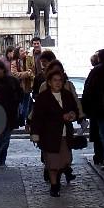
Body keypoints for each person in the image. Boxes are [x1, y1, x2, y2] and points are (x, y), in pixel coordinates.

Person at [30, 65, 79, 197]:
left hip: (65, 134)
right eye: (55, 80)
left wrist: (73, 114)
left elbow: (74, 109)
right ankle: (54, 185)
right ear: (49, 82)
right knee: (52, 163)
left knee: (65, 161)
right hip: (49, 135)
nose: (58, 83)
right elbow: (38, 117)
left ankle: (58, 178)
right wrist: (35, 133)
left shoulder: (67, 95)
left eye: (60, 80)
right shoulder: (43, 97)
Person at [0, 60, 22, 166]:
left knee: (6, 138)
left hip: (11, 113)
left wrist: (16, 103)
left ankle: (0, 158)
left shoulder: (12, 80)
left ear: (3, 70)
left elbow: (20, 94)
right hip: (0, 114)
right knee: (0, 136)